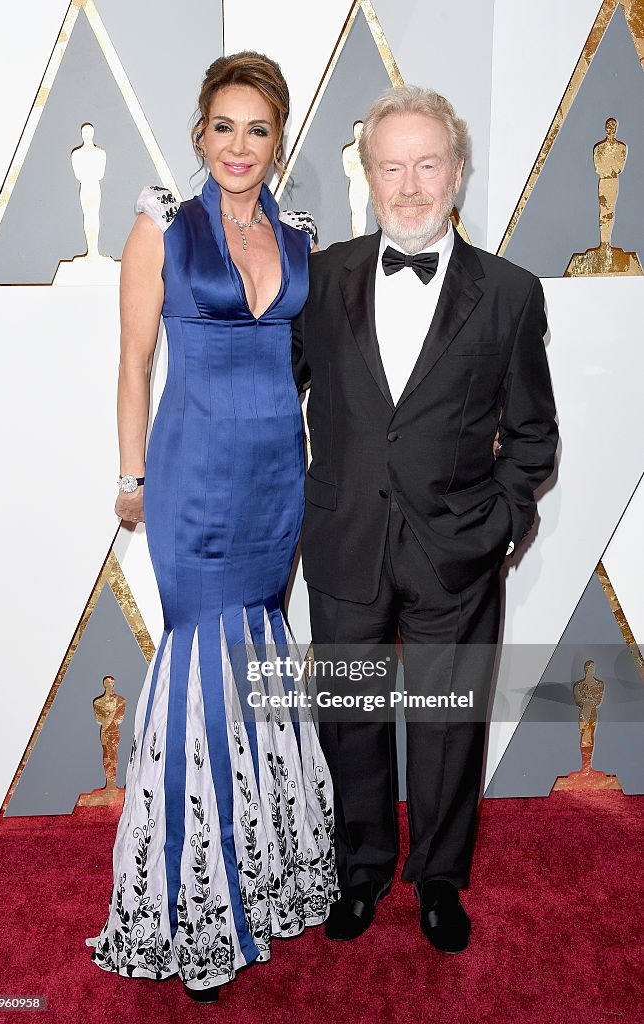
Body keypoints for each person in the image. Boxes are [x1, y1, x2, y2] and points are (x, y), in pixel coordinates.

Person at [87, 52, 337, 1003]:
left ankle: (267, 871)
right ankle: (197, 908)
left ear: (278, 142)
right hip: (191, 480)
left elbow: (315, 367)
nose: (239, 147)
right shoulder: (163, 225)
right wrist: (130, 474)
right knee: (198, 671)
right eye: (223, 128)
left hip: (280, 480)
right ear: (201, 135)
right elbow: (133, 362)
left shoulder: (301, 236)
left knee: (259, 655)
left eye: (258, 129)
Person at [292, 86, 558, 954]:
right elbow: (272, 402)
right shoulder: (321, 277)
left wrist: (501, 528)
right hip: (344, 543)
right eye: (390, 166)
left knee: (450, 720)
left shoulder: (510, 294)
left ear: (458, 173)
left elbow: (533, 435)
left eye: (427, 164)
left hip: (457, 550)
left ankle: (440, 879)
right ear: (367, 175)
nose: (408, 185)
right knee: (352, 717)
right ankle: (361, 872)